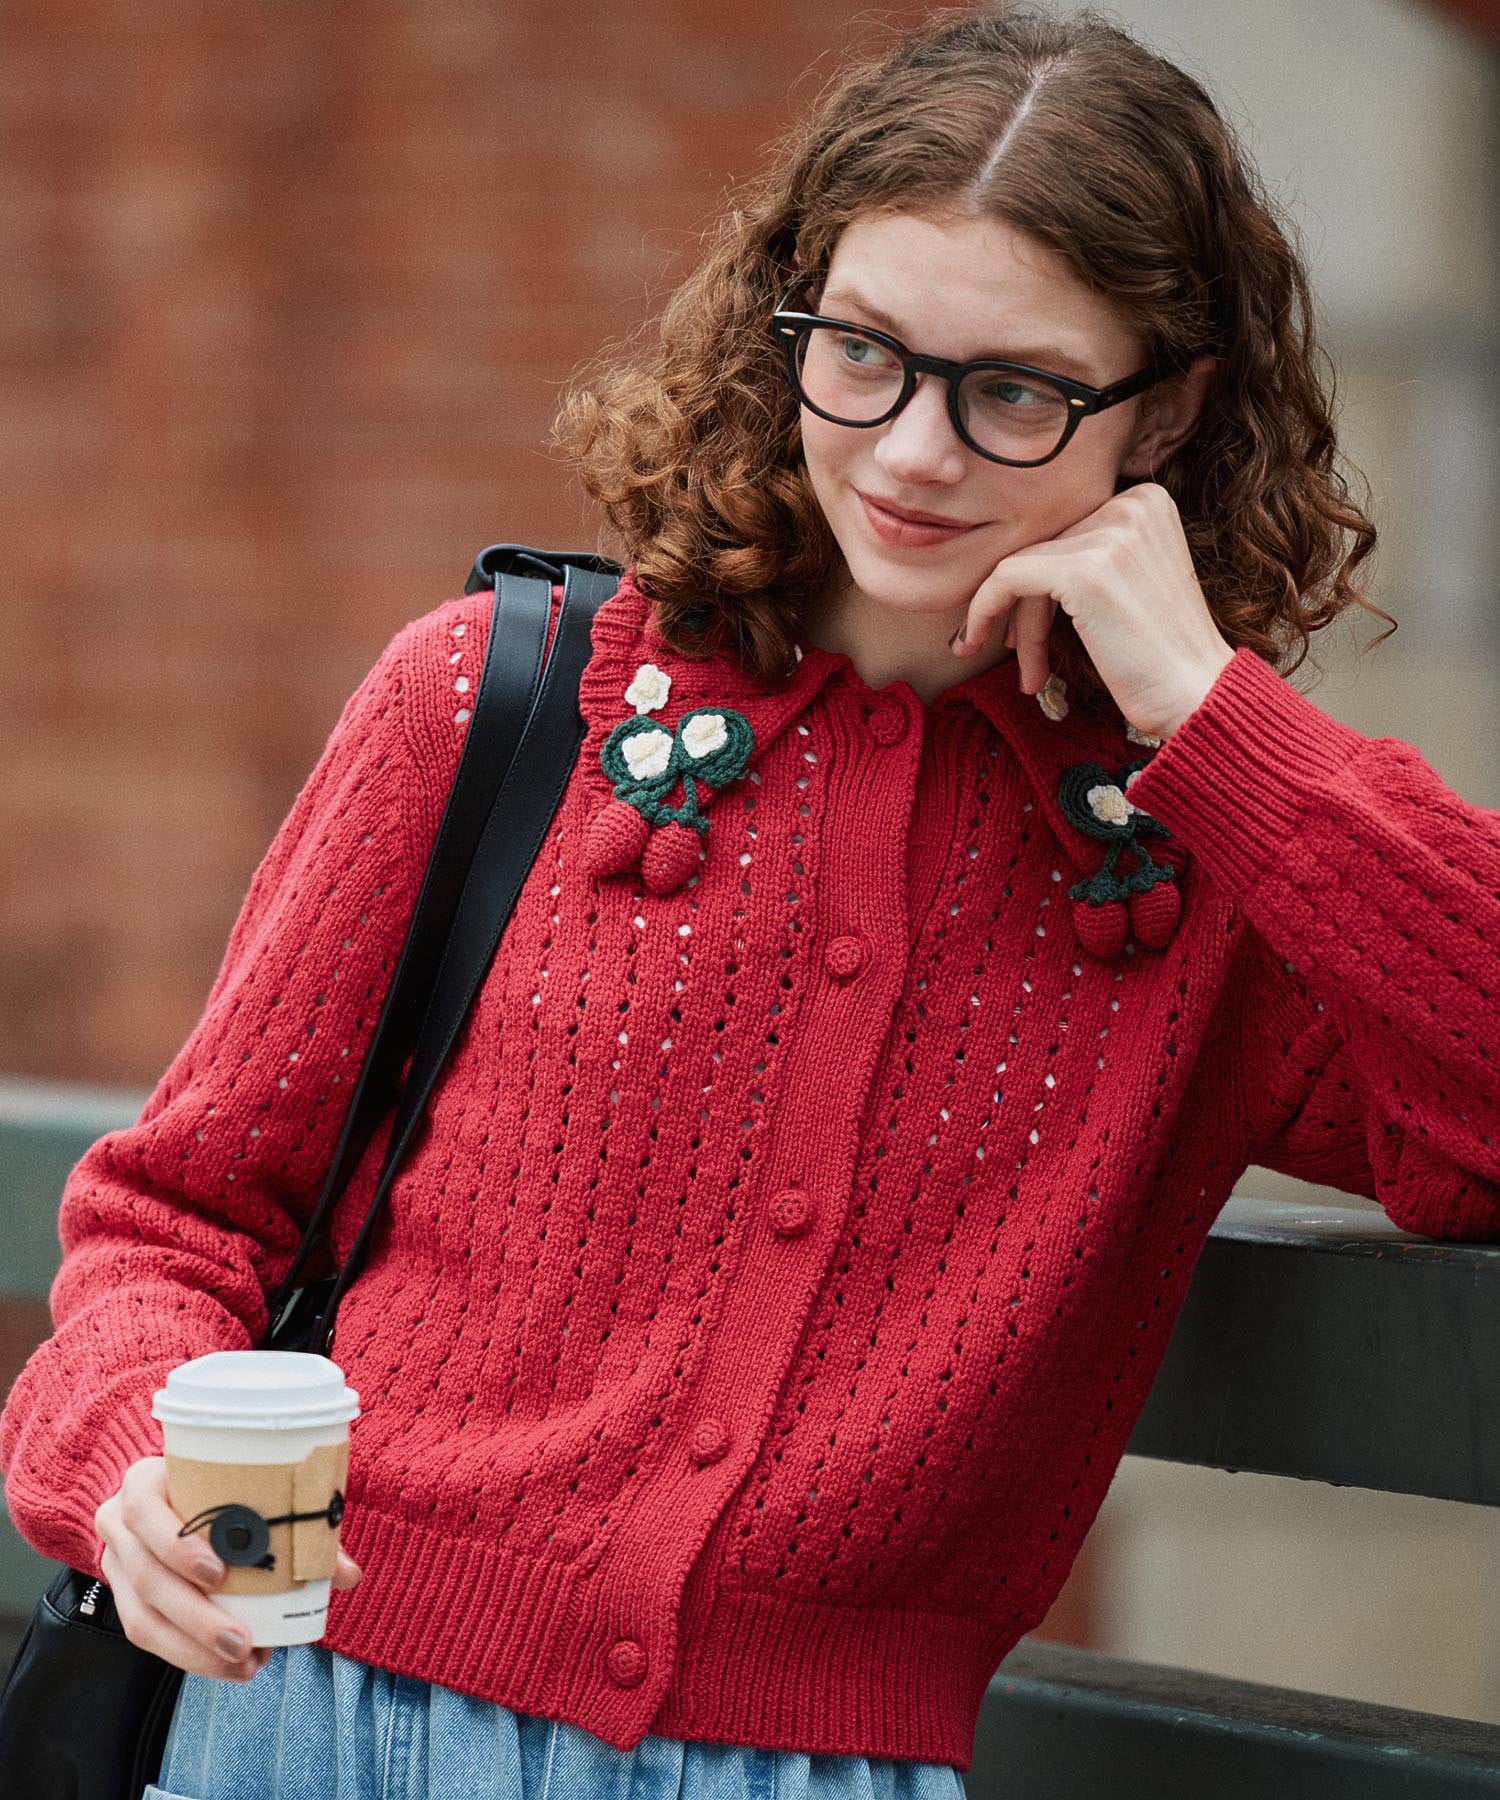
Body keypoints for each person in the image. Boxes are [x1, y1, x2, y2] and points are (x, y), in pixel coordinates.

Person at [4, 4, 1498, 1796]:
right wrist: (129, 1460)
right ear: (789, 316)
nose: (914, 451)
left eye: (1014, 389)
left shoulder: (1207, 857)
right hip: (319, 1721)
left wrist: (1216, 717)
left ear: (1164, 409)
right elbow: (175, 1212)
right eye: (862, 351)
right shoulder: (496, 702)